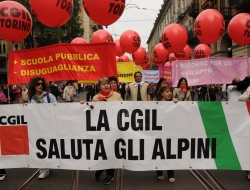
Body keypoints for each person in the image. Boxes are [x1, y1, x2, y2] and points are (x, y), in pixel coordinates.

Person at [80, 77, 122, 185]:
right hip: (101, 129)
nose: (106, 86)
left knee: (112, 151)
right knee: (102, 150)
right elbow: (91, 111)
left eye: (107, 83)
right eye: (103, 84)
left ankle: (110, 174)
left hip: (113, 128)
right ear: (99, 86)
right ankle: (100, 168)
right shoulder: (95, 98)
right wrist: (84, 104)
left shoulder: (117, 96)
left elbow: (122, 109)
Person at [27, 76, 57, 179]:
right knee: (39, 146)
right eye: (37, 84)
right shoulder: (31, 97)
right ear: (33, 86)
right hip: (36, 126)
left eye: (41, 84)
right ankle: (44, 168)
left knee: (46, 146)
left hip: (47, 126)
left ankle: (45, 168)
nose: (40, 86)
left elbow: (57, 109)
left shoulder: (49, 96)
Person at [155, 84, 178, 182]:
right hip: (159, 133)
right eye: (167, 91)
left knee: (170, 152)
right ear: (161, 93)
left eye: (170, 91)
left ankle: (171, 174)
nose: (169, 93)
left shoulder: (173, 103)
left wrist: (178, 104)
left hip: (170, 133)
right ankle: (159, 172)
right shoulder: (156, 104)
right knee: (159, 152)